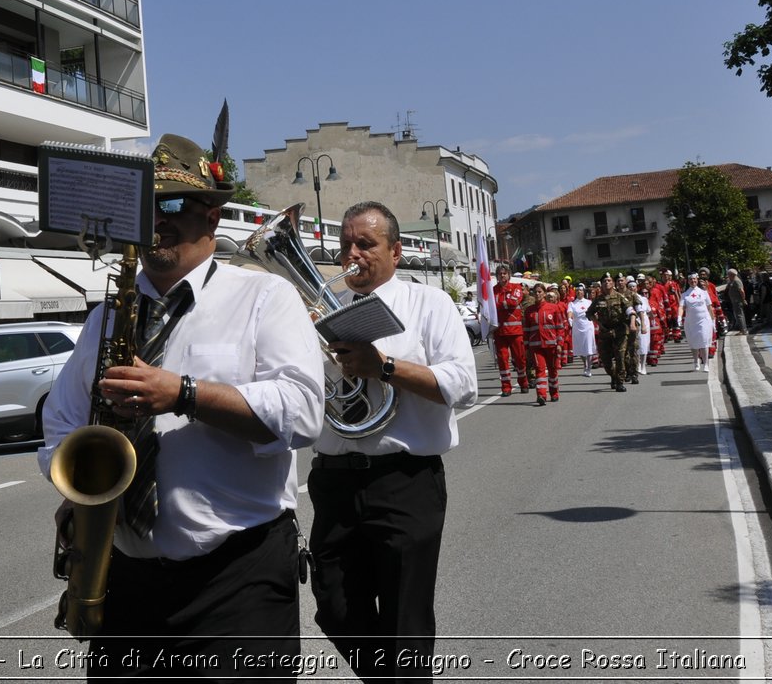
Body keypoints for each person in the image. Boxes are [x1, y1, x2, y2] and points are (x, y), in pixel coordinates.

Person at [39, 133, 323, 676]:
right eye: (147, 206)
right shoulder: (105, 319)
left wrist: (183, 394)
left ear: (211, 220)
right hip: (126, 577)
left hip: (236, 578)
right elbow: (60, 424)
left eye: (172, 205)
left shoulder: (265, 297)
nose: (157, 219)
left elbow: (305, 411)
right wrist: (76, 480)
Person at [311, 199, 476, 683]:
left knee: (406, 619)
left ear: (396, 251)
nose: (352, 255)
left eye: (366, 244)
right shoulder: (324, 308)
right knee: (334, 603)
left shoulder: (430, 303)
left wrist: (382, 366)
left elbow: (462, 384)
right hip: (335, 480)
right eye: (345, 245)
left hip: (405, 481)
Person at [587, 276, 632, 392]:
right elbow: (589, 313)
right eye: (604, 281)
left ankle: (620, 382)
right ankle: (613, 376)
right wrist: (598, 323)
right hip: (605, 332)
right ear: (601, 284)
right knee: (606, 361)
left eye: (609, 281)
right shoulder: (598, 299)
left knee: (620, 357)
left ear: (613, 283)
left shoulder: (619, 296)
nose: (607, 283)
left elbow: (630, 310)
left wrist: (632, 323)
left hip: (619, 331)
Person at [521, 282, 562, 405]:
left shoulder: (553, 308)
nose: (537, 294)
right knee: (540, 370)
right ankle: (541, 395)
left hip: (551, 345)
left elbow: (560, 327)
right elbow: (526, 330)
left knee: (553, 370)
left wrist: (559, 343)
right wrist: (527, 347)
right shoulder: (529, 311)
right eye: (536, 292)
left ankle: (554, 393)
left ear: (544, 293)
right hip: (536, 346)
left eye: (540, 292)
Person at [491, 265, 529, 397]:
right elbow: (488, 307)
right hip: (499, 331)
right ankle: (506, 387)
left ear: (509, 275)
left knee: (519, 359)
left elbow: (514, 302)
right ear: (497, 276)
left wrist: (498, 306)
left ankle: (523, 383)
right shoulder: (493, 290)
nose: (502, 276)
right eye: (500, 274)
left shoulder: (516, 287)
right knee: (502, 360)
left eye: (504, 273)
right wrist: (502, 305)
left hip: (515, 331)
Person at [680, 271, 717, 372]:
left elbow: (709, 308)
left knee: (704, 341)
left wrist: (713, 321)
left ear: (697, 280)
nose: (693, 281)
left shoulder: (704, 293)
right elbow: (681, 307)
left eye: (694, 279)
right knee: (694, 343)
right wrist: (679, 317)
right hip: (691, 322)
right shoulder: (685, 295)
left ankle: (706, 364)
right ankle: (696, 361)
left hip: (704, 320)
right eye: (691, 279)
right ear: (688, 281)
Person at [567, 282, 597, 376]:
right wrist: (569, 319)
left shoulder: (589, 302)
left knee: (588, 346)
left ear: (584, 292)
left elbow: (593, 313)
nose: (579, 292)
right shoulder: (572, 303)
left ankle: (589, 368)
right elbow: (570, 312)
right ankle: (585, 364)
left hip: (587, 325)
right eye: (577, 291)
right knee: (579, 347)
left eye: (581, 290)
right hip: (577, 325)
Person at [722, 269, 747, 335]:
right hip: (735, 301)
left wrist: (743, 299)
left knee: (739, 315)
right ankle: (742, 329)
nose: (728, 276)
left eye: (728, 274)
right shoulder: (732, 281)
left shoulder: (736, 281)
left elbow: (741, 291)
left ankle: (743, 330)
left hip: (738, 301)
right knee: (739, 315)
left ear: (732, 274)